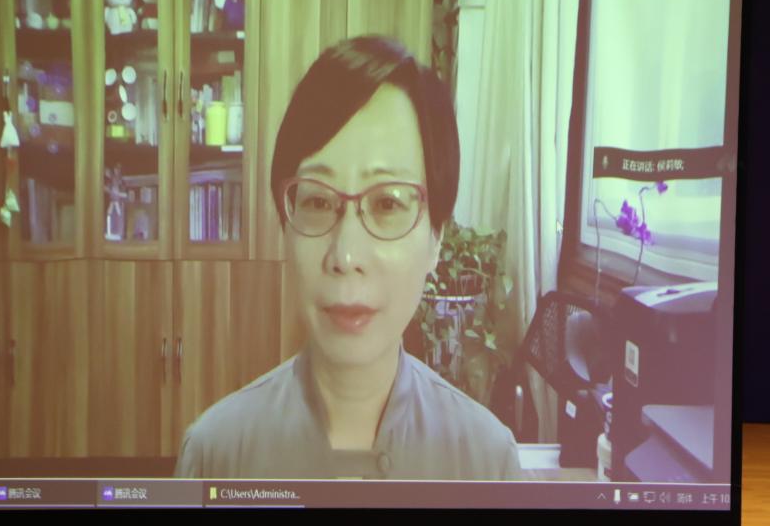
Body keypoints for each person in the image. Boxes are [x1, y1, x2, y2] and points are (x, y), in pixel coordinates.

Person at [175, 35, 523, 480]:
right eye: (318, 202)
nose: (346, 255)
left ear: (436, 238)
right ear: (285, 226)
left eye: (388, 203)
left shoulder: (487, 463)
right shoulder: (215, 456)